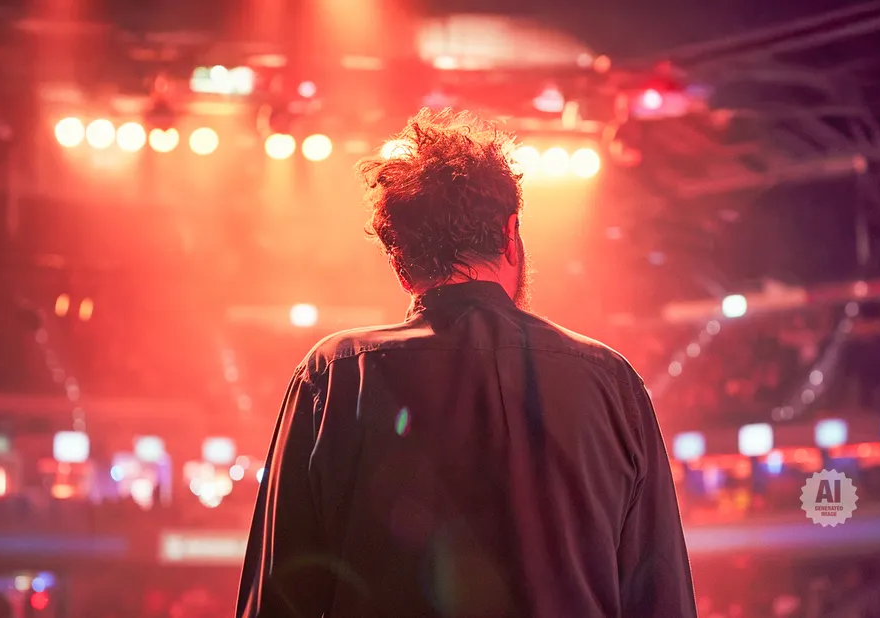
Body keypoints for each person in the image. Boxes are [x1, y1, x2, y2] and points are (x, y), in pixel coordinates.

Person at [237, 109, 697, 618]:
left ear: (400, 264)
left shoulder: (337, 375)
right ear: (510, 234)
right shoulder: (611, 382)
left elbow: (279, 600)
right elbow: (663, 602)